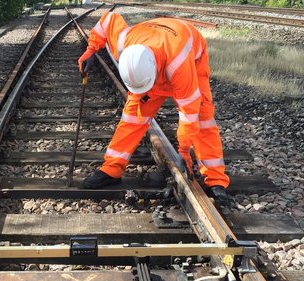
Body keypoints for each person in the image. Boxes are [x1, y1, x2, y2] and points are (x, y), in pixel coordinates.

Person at [77, 12, 230, 202]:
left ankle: (215, 180)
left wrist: (183, 151)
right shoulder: (124, 43)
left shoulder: (180, 65)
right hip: (154, 44)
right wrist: (92, 49)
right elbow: (109, 19)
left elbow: (189, 114)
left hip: (190, 59)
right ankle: (111, 169)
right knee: (132, 116)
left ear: (154, 73)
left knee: (202, 119)